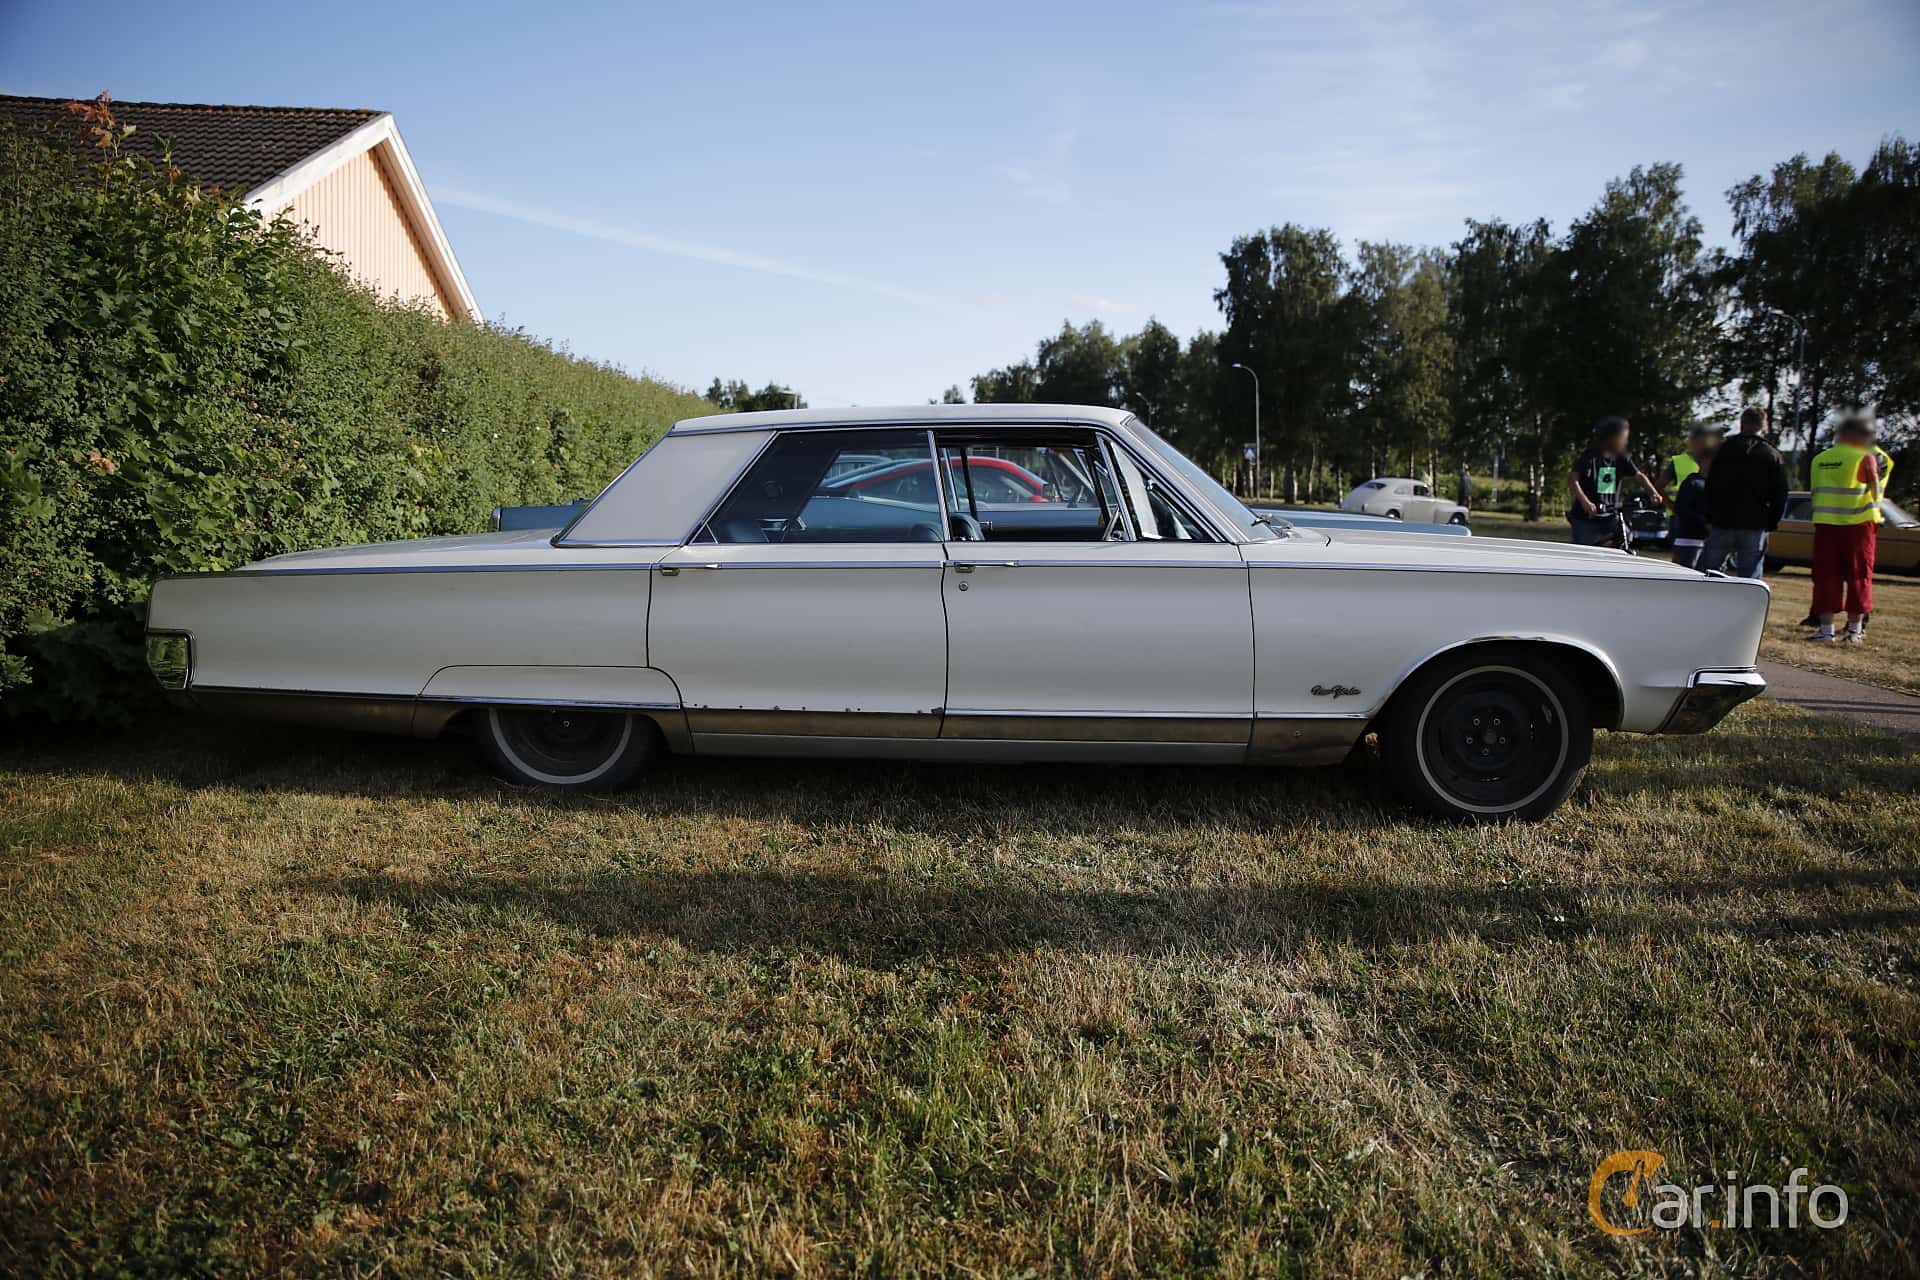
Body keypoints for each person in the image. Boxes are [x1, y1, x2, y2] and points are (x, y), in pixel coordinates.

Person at [1807, 416, 1883, 644]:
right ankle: (1853, 630)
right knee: (1859, 576)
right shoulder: (1864, 457)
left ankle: (1826, 629)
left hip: (1826, 525)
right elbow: (1876, 492)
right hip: (1859, 527)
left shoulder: (1820, 459)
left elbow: (1814, 493)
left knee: (1825, 577)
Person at [1701, 406, 1790, 578]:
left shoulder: (1724, 449)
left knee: (1710, 572)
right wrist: (1772, 521)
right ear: (1763, 425)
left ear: (1741, 423)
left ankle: (1706, 602)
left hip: (1723, 519)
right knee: (1750, 576)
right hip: (1755, 522)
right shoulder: (1771, 454)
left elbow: (1710, 485)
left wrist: (1709, 516)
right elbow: (1780, 493)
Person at [1567, 417, 1662, 547]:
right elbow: (1573, 479)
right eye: (1623, 437)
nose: (1625, 441)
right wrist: (1585, 502)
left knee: (1626, 536)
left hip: (1610, 515)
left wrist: (1652, 492)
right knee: (1584, 548)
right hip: (1587, 517)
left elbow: (1639, 476)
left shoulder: (1620, 458)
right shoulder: (1591, 456)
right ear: (1611, 438)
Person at [1670, 446, 1713, 569]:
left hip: (1707, 542)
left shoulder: (1714, 484)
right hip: (1689, 542)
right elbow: (1682, 509)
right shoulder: (1692, 482)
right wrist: (1705, 523)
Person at [1658, 425, 1718, 508]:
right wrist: (1673, 507)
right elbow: (1658, 487)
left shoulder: (1717, 460)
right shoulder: (1679, 461)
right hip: (1683, 517)